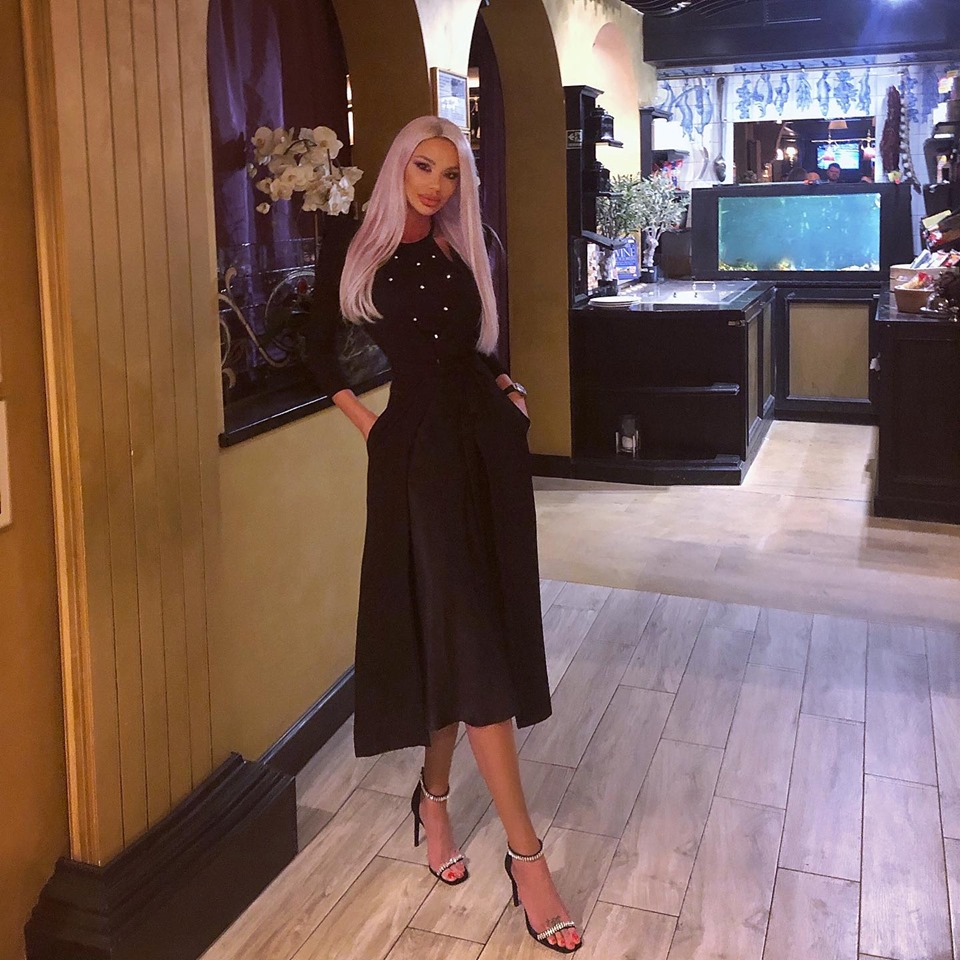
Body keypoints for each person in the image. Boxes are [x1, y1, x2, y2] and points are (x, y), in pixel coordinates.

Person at [305, 115, 582, 954]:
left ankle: (432, 799)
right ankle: (527, 859)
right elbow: (314, 349)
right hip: (418, 457)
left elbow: (475, 347)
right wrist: (367, 423)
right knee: (466, 635)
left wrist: (508, 386)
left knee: (466, 632)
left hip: (484, 447)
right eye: (423, 167)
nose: (436, 185)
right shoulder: (355, 250)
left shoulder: (467, 248)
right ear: (399, 168)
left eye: (451, 173)